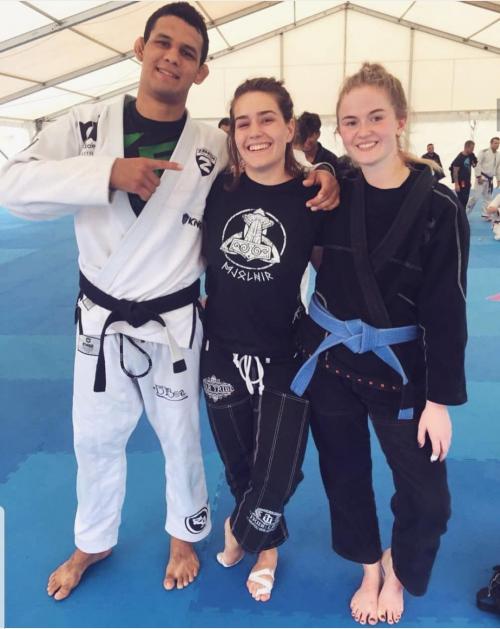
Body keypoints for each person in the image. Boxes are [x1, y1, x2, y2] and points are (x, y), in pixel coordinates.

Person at [0, 1, 339, 601]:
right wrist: (106, 173)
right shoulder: (85, 126)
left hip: (175, 320)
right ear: (140, 47)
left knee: (180, 437)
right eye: (163, 42)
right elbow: (13, 185)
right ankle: (93, 540)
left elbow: (273, 160)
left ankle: (186, 533)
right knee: (94, 438)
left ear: (200, 72)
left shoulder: (212, 142)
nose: (172, 57)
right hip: (101, 319)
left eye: (188, 52)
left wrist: (323, 170)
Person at [292, 62, 469, 625]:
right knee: (343, 475)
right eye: (351, 121)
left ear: (400, 120)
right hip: (331, 363)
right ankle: (370, 567)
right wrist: (323, 167)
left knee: (429, 500)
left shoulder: (439, 206)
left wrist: (439, 400)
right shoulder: (333, 193)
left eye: (375, 117)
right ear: (338, 131)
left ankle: (399, 570)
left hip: (401, 373)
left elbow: (447, 308)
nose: (363, 130)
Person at [201, 78, 324, 602]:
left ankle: (244, 532)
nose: (254, 131)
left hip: (285, 354)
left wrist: (330, 170)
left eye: (267, 118)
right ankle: (267, 549)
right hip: (220, 350)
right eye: (243, 122)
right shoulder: (217, 191)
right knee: (239, 465)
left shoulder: (313, 197)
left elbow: (335, 274)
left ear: (290, 127)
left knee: (281, 470)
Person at [466, 137, 500, 217]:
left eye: (498, 143)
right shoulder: (484, 152)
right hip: (482, 178)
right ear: (491, 143)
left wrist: (498, 179)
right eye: (495, 143)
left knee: (488, 198)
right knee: (476, 197)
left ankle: (485, 214)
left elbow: (498, 168)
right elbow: (477, 164)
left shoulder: (498, 155)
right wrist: (478, 176)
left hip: (490, 179)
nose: (497, 145)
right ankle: (465, 212)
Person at [451, 140, 477, 210]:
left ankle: (463, 214)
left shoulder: (471, 155)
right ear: (466, 147)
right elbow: (455, 172)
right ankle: (460, 214)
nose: (473, 150)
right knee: (461, 200)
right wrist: (456, 184)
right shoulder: (459, 158)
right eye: (471, 148)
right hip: (461, 182)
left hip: (467, 181)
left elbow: (475, 164)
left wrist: (474, 162)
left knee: (465, 200)